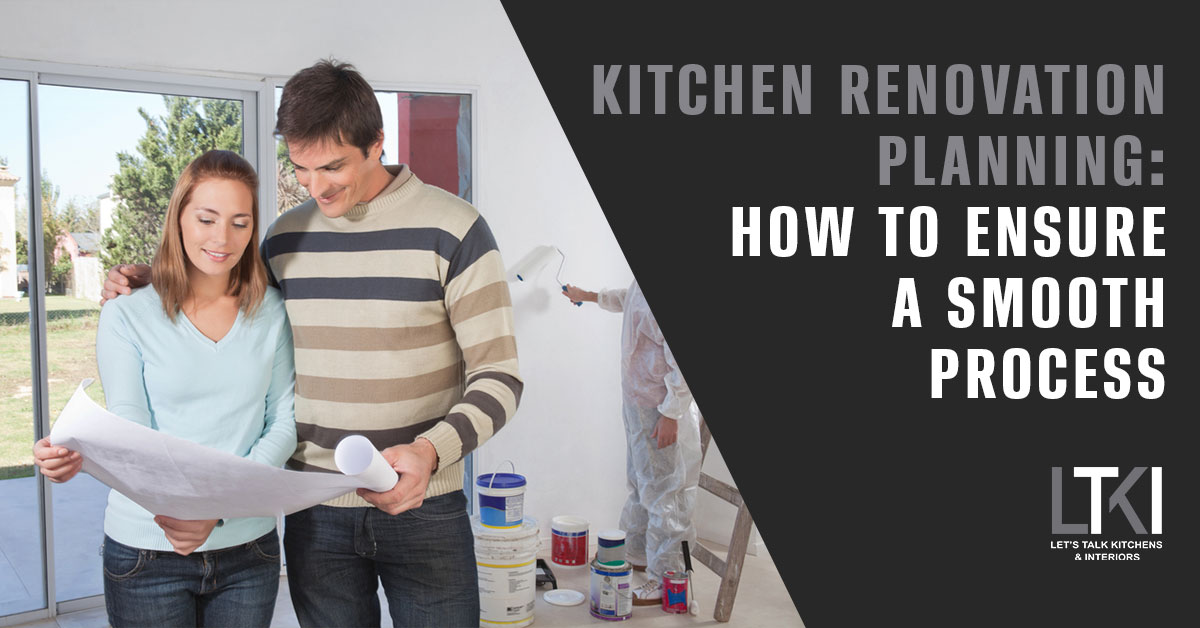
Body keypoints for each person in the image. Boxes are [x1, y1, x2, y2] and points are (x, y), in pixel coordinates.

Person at [102, 60, 522, 627]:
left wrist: (430, 453)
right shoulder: (283, 238)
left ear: (377, 143)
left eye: (332, 166)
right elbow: (226, 288)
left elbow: (500, 377)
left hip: (424, 504)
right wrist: (149, 280)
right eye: (300, 168)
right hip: (315, 511)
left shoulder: (457, 230)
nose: (315, 186)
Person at [34, 150, 296, 627]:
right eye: (207, 219)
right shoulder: (127, 313)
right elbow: (131, 424)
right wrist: (74, 455)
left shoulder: (272, 313)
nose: (222, 238)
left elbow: (283, 422)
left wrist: (215, 509)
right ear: (179, 218)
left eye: (240, 223)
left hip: (249, 549)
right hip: (146, 551)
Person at [562, 280, 701, 606]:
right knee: (642, 483)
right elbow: (630, 298)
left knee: (666, 494)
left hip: (660, 408)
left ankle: (667, 580)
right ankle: (638, 553)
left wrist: (671, 413)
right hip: (640, 403)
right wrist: (589, 296)